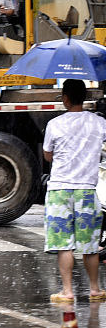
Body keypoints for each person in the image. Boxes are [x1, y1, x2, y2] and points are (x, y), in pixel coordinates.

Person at [43, 79, 106, 304]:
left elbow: (47, 155)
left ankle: (68, 291)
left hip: (60, 189)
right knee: (90, 245)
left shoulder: (55, 124)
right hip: (87, 191)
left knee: (64, 244)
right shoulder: (99, 123)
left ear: (65, 98)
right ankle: (95, 290)